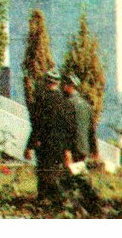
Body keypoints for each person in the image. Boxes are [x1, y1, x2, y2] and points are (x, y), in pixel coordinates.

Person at [23, 69, 71, 207]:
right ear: (58, 83)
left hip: (43, 145)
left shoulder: (41, 100)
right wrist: (68, 149)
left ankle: (43, 202)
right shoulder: (65, 101)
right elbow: (68, 127)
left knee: (44, 174)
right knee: (57, 173)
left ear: (46, 82)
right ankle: (58, 202)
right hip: (60, 144)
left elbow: (36, 125)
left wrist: (29, 146)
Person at [62, 74, 104, 213]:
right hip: (83, 148)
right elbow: (92, 130)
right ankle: (91, 204)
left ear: (69, 86)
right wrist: (95, 150)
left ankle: (79, 207)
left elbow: (68, 129)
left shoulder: (67, 104)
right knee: (80, 176)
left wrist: (66, 151)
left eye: (64, 84)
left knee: (70, 180)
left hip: (71, 149)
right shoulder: (85, 105)